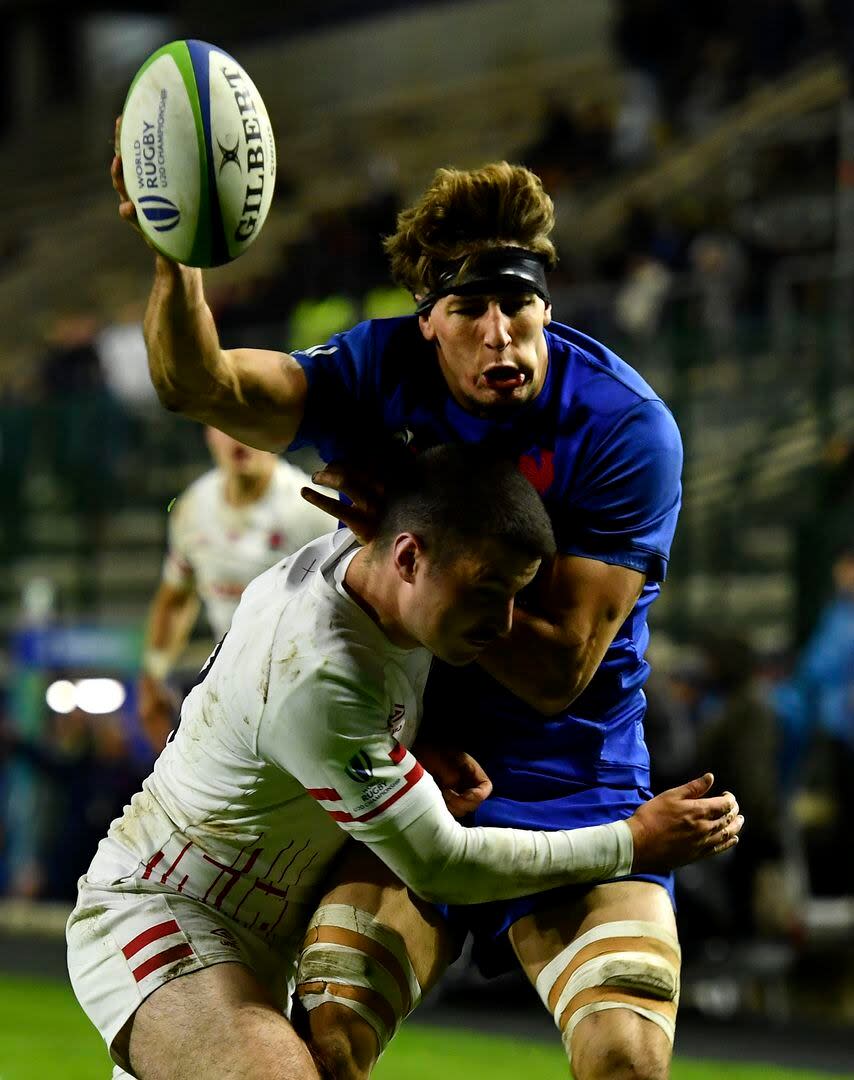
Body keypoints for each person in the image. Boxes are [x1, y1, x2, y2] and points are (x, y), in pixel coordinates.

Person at [112, 139, 704, 1079]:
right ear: (428, 322)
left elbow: (557, 672)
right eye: (469, 309)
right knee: (327, 1045)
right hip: (411, 768)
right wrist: (174, 249)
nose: (500, 334)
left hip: (572, 775)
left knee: (626, 1061)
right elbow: (201, 385)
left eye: (519, 305)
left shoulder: (625, 429)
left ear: (548, 305)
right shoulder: (377, 373)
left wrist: (396, 522)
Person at [67, 444, 741, 1080]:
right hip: (163, 906)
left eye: (516, 595)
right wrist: (635, 841)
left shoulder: (377, 575)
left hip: (257, 925)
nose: (505, 623)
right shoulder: (317, 674)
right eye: (486, 591)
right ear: (410, 556)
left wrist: (409, 751)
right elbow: (440, 864)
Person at [138, 425, 331, 750]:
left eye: (249, 420)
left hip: (307, 695)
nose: (238, 434)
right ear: (208, 434)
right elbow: (175, 599)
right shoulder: (191, 508)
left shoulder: (312, 508)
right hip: (229, 694)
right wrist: (153, 675)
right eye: (225, 423)